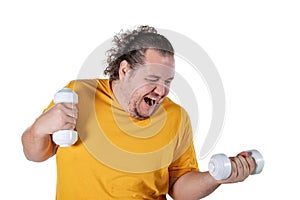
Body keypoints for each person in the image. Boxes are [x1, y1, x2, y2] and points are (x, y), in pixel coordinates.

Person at [21, 25, 256, 200]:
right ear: (125, 70)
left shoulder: (176, 117)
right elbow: (36, 154)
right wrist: (40, 127)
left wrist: (216, 177)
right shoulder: (78, 93)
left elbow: (179, 187)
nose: (162, 90)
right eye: (152, 79)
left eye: (168, 81)